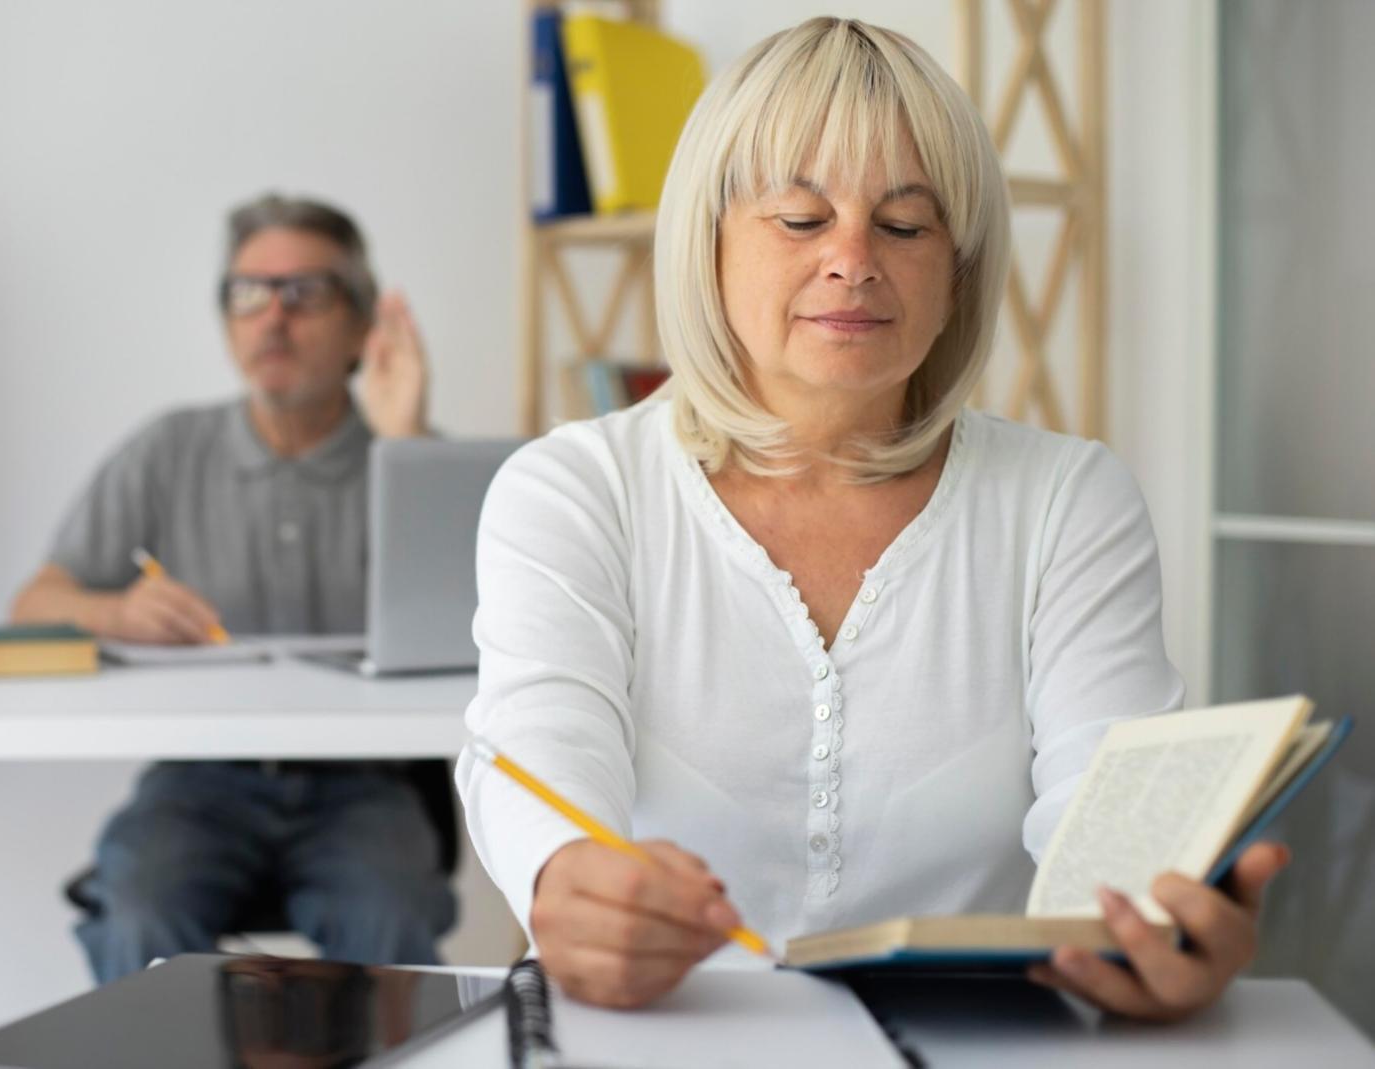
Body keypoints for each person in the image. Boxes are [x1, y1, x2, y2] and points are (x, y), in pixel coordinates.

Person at [456, 18, 1286, 1017]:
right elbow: (538, 757)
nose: (851, 260)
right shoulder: (575, 489)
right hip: (670, 1034)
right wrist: (564, 876)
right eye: (799, 218)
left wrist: (1151, 934)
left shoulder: (1067, 500)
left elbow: (1107, 817)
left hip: (982, 1038)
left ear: (959, 270)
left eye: (904, 225)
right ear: (707, 242)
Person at [12, 193, 455, 981]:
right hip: (199, 781)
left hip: (363, 785)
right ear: (225, 320)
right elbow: (32, 606)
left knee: (387, 916)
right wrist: (114, 610)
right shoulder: (169, 448)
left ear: (363, 323)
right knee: (138, 909)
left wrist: (407, 444)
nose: (273, 318)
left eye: (305, 292)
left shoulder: (413, 457)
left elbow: (486, 625)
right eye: (249, 293)